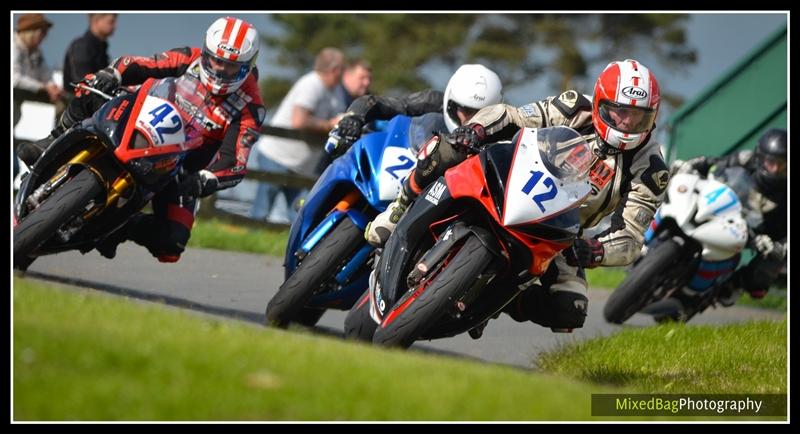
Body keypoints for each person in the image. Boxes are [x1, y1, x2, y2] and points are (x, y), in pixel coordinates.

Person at [366, 59, 670, 332]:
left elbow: (631, 237)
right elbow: (516, 115)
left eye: (638, 116)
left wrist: (596, 249)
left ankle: (494, 300)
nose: (627, 123)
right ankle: (398, 209)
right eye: (619, 111)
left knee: (569, 310)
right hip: (513, 179)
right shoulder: (574, 106)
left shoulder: (651, 168)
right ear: (601, 102)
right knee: (446, 149)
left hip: (561, 234)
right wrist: (477, 129)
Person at [17, 16, 265, 263]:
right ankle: (52, 141)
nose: (220, 70)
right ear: (207, 52)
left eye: (231, 66)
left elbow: (236, 160)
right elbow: (141, 64)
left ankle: (119, 227)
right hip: (134, 118)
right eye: (216, 60)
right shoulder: (190, 58)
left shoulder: (249, 107)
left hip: (176, 166)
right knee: (91, 87)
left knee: (172, 243)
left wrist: (204, 180)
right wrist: (112, 73)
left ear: (248, 65)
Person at [675, 128, 787, 302]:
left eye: (782, 165)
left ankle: (734, 285)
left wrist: (779, 246)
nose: (775, 169)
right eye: (771, 162)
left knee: (770, 264)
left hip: (758, 234)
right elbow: (718, 164)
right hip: (723, 207)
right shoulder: (746, 158)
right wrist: (697, 164)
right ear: (760, 157)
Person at [250, 47, 348, 223]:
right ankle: (249, 243)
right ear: (334, 69)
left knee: (300, 215)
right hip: (277, 156)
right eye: (342, 69)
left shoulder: (336, 91)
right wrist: (328, 125)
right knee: (262, 210)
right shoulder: (311, 84)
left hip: (302, 166)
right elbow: (299, 121)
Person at [13, 13, 63, 176]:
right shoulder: (13, 47)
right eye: (42, 33)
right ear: (32, 32)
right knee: (12, 167)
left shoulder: (35, 53)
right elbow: (14, 79)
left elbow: (46, 74)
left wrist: (52, 87)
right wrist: (43, 88)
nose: (44, 38)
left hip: (15, 110)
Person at [63, 13, 118, 99]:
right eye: (111, 22)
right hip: (76, 105)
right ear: (97, 20)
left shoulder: (101, 49)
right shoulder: (82, 46)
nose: (115, 26)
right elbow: (83, 83)